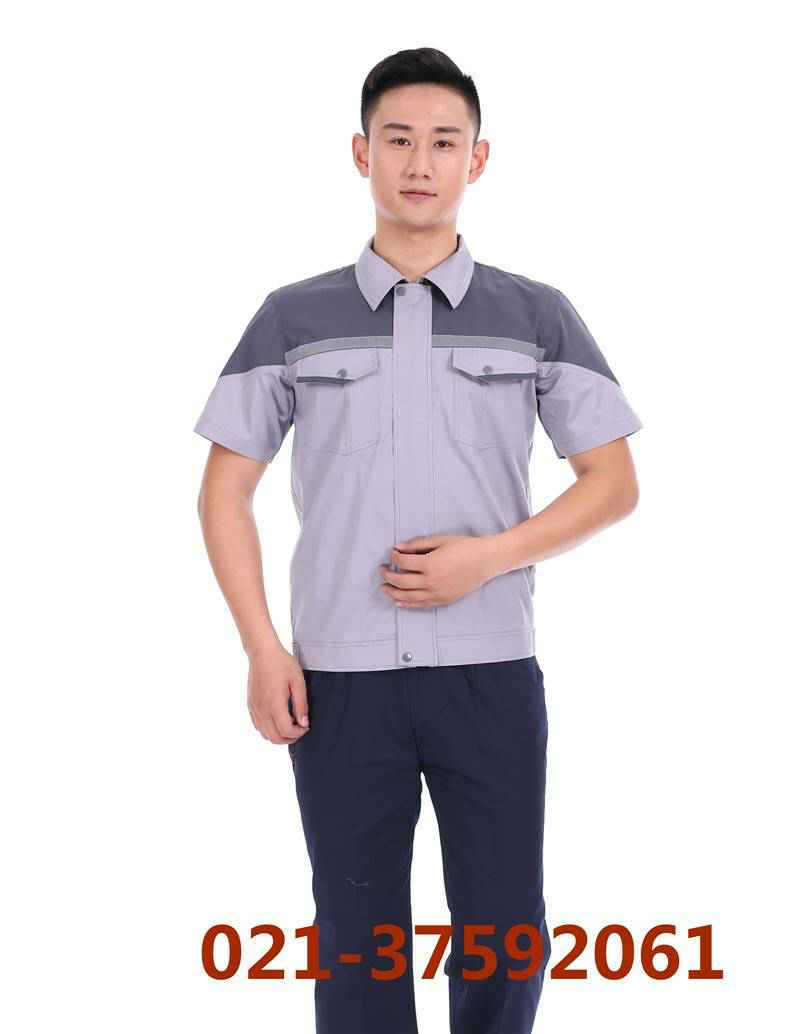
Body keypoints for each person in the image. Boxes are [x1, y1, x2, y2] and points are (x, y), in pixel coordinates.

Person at [194, 47, 642, 1034]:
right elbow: (224, 491)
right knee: (355, 936)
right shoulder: (292, 318)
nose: (420, 162)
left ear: (477, 159)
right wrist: (263, 648)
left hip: (488, 671)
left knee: (504, 928)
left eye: (445, 142)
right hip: (338, 678)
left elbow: (613, 483)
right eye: (397, 139)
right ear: (361, 153)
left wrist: (488, 556)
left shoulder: (535, 314)